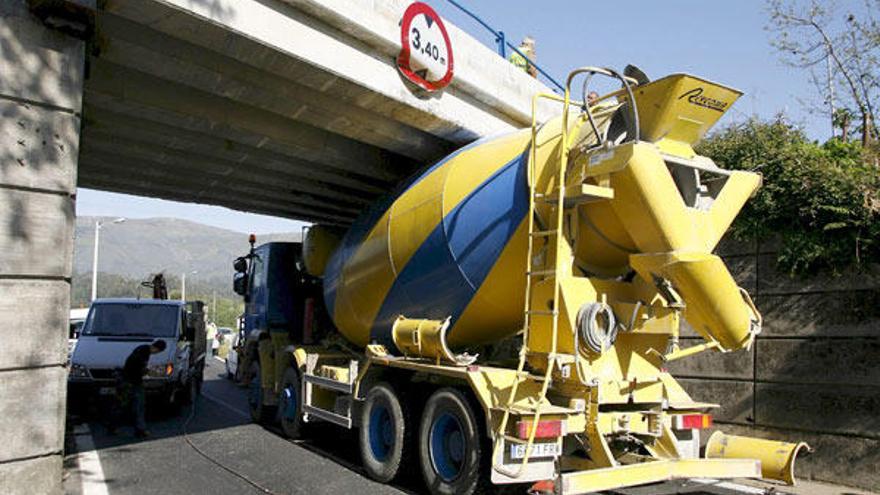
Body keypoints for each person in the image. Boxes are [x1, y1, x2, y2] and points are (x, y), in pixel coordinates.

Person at [112, 339, 167, 437]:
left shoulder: (142, 350)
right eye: (158, 352)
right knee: (137, 406)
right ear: (157, 348)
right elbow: (137, 369)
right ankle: (138, 429)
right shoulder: (143, 353)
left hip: (129, 380)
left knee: (125, 405)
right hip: (131, 382)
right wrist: (148, 371)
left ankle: (114, 426)